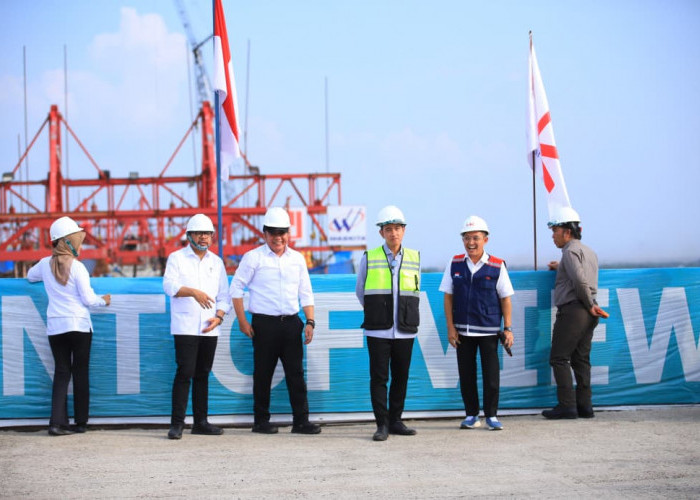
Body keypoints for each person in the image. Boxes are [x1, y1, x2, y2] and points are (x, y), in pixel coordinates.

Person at [229, 207, 320, 435]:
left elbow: (306, 292)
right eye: (273, 233)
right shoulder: (253, 258)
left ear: (288, 233)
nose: (278, 237)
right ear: (265, 233)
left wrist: (310, 321)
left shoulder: (297, 259)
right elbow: (236, 288)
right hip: (264, 325)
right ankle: (261, 421)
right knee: (263, 374)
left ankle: (301, 421)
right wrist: (242, 321)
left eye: (282, 232)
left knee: (296, 375)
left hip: (291, 324)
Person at [27, 216, 111, 436]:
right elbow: (89, 300)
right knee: (80, 373)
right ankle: (81, 423)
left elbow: (29, 277)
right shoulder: (78, 267)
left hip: (56, 327)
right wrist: (104, 300)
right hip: (79, 326)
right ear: (69, 241)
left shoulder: (45, 264)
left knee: (62, 373)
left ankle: (56, 423)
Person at [439, 216, 514, 431]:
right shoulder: (454, 263)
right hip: (463, 331)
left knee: (491, 376)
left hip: (489, 330)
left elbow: (505, 298)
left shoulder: (497, 265)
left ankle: (491, 415)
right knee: (466, 375)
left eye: (475, 238)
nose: (471, 243)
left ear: (485, 240)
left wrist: (508, 328)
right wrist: (450, 327)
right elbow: (448, 297)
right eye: (466, 238)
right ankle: (471, 415)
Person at [355, 205, 420, 441]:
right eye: (389, 229)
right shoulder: (369, 257)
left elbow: (414, 291)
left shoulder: (414, 257)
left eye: (397, 228)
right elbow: (360, 291)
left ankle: (396, 421)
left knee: (401, 377)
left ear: (404, 230)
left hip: (405, 329)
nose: (394, 233)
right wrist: (377, 311)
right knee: (379, 378)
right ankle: (381, 424)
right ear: (381, 232)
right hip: (378, 330)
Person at [163, 214, 230, 439]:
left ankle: (201, 422)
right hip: (185, 327)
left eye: (208, 234)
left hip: (209, 327)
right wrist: (193, 292)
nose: (204, 237)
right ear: (189, 235)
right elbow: (169, 286)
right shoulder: (177, 258)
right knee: (185, 373)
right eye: (199, 233)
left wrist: (219, 317)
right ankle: (177, 424)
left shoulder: (216, 262)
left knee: (203, 374)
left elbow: (224, 296)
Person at [542, 207, 606, 420]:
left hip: (575, 309)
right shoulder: (589, 252)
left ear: (567, 232)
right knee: (581, 359)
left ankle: (567, 406)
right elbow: (581, 274)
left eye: (555, 231)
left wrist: (588, 304)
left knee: (559, 358)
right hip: (589, 311)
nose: (553, 236)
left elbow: (579, 280)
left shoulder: (569, 252)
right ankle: (585, 406)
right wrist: (561, 267)